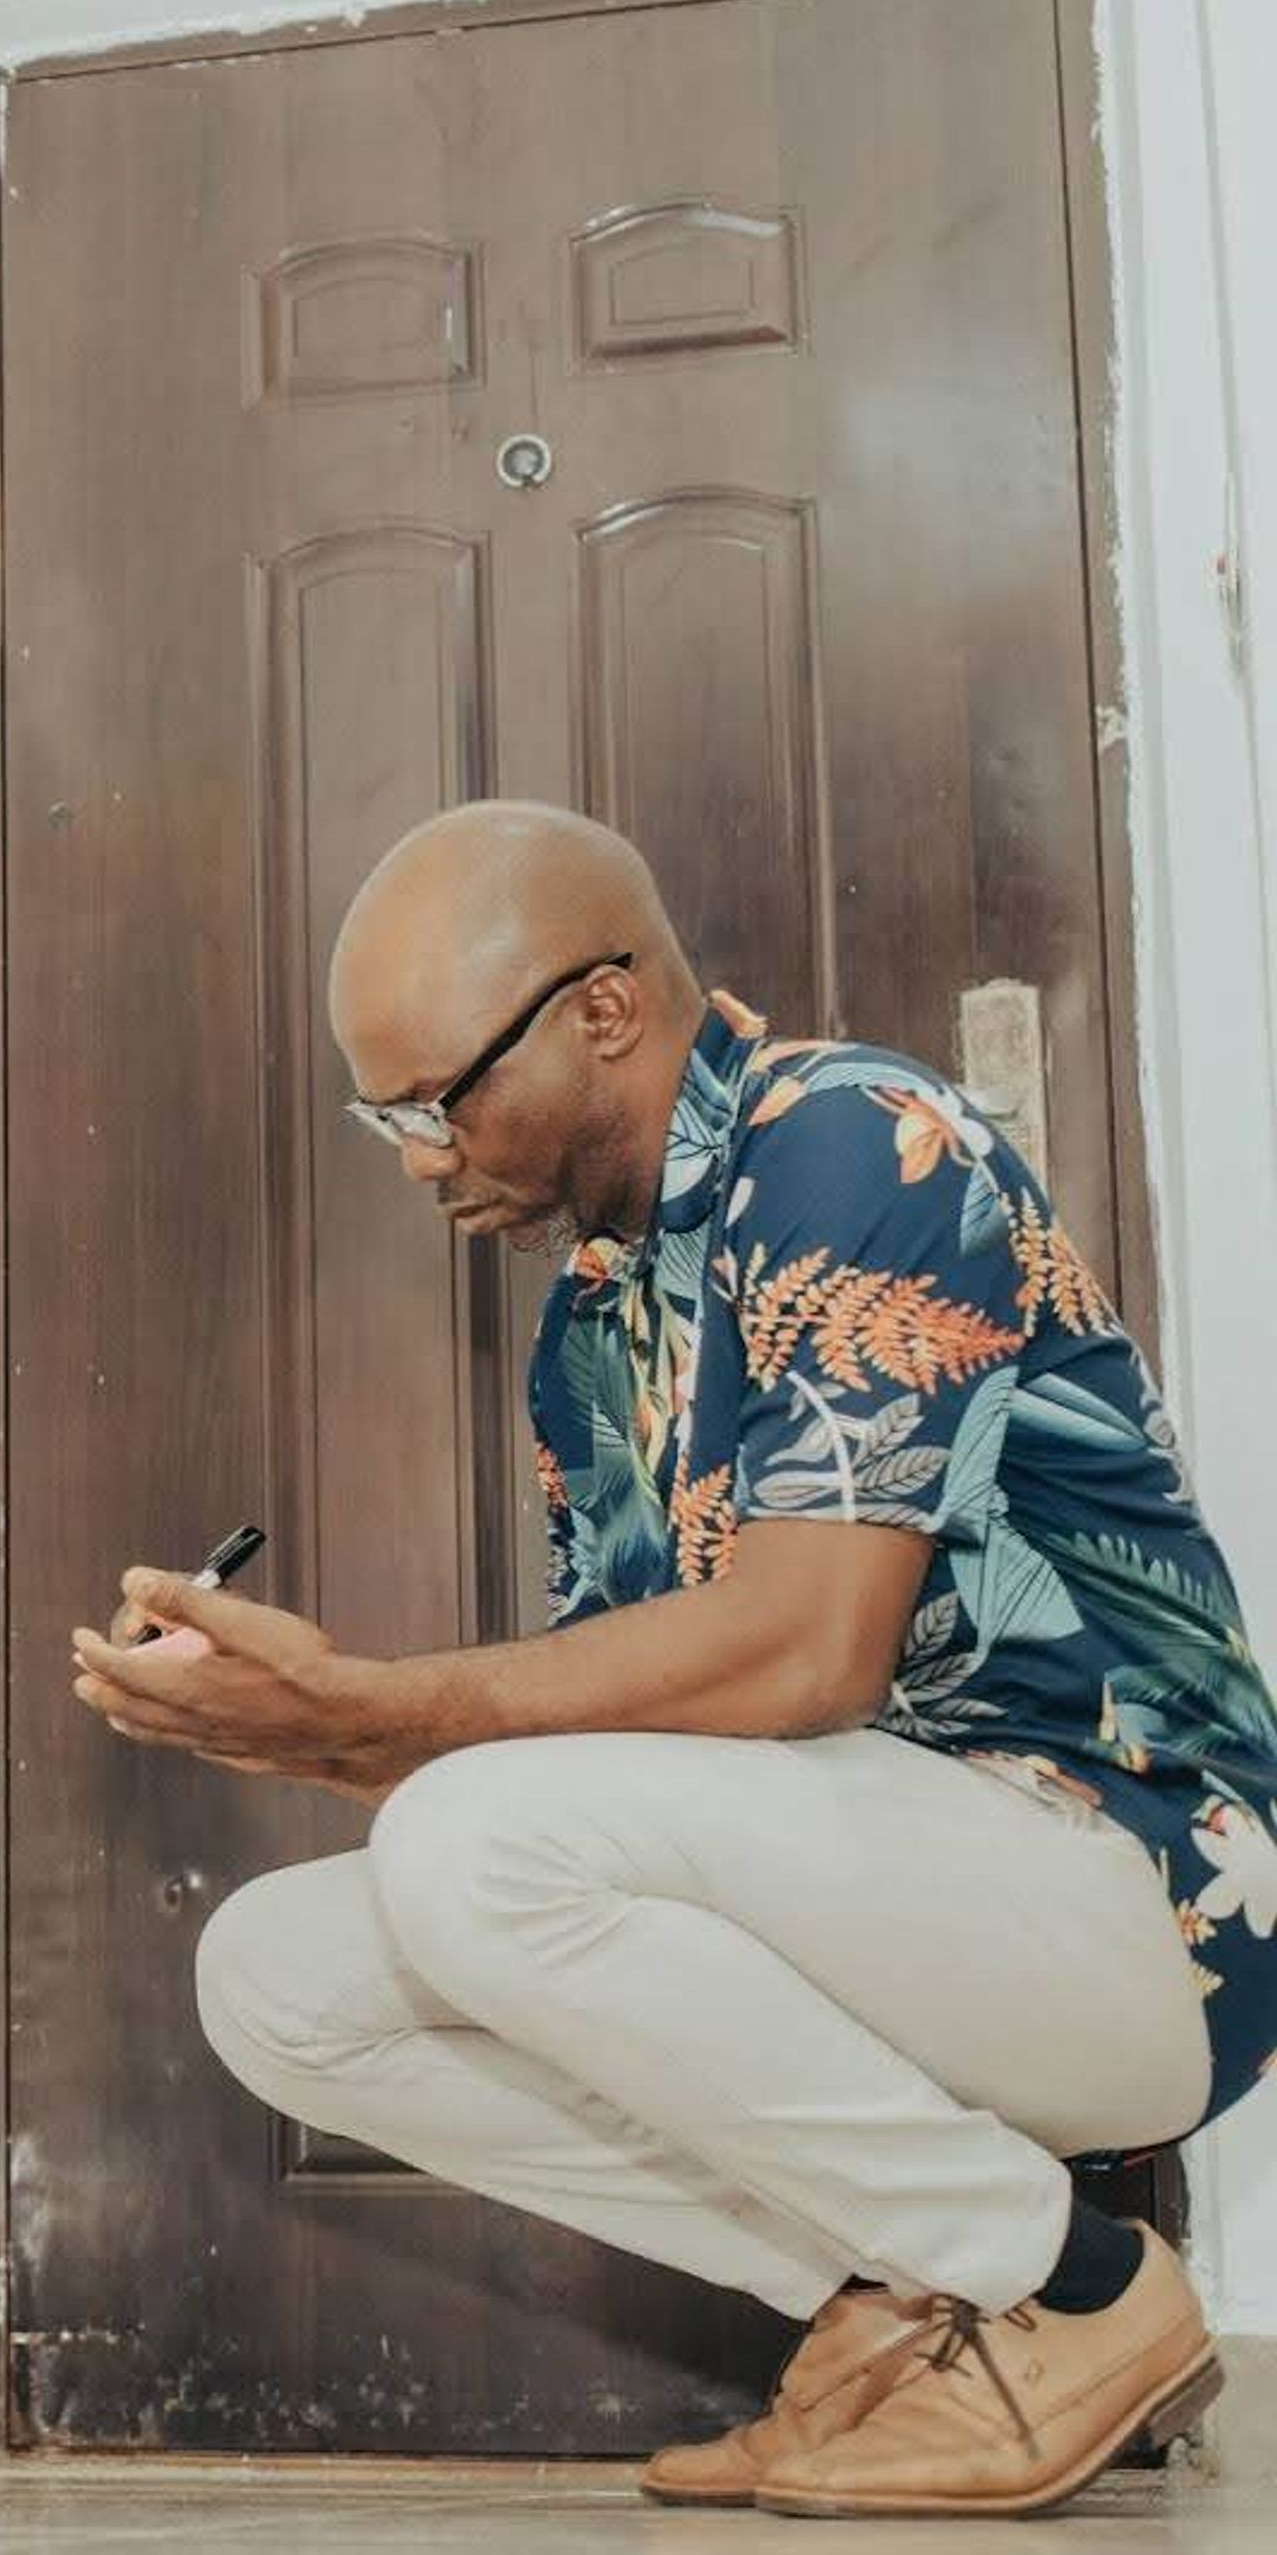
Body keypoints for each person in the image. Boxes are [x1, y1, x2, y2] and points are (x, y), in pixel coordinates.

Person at [67, 801, 1277, 2520]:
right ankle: (920, 2293)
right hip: (901, 1894)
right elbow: (633, 1752)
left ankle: (1081, 2300)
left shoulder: (854, 1141)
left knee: (467, 1838)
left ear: (605, 1011)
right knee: (276, 1978)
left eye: (438, 1097)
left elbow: (806, 1651)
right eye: (384, 1113)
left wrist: (376, 1716)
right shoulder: (592, 1332)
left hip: (1133, 1894)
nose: (417, 1155)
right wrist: (319, 1723)